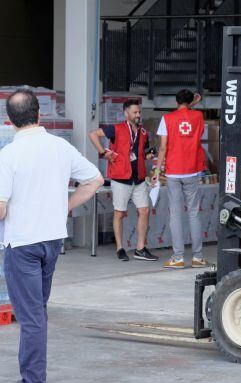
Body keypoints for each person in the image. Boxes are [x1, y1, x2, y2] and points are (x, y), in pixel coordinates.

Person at [0, 89, 104, 383]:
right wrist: (66, 206)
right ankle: (30, 378)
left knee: (31, 317)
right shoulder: (60, 147)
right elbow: (95, 180)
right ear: (39, 115)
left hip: (22, 244)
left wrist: (10, 209)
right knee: (36, 311)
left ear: (9, 121)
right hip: (52, 242)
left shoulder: (9, 154)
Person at [89, 99, 158, 262]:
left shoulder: (143, 133)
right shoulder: (116, 129)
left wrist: (150, 155)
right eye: (135, 112)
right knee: (119, 213)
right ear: (126, 113)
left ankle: (140, 248)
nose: (138, 115)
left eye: (139, 112)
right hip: (121, 177)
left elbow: (142, 154)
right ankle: (120, 248)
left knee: (145, 211)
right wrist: (103, 152)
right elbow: (93, 135)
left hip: (139, 178)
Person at [152, 89, 210, 269]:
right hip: (191, 170)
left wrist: (156, 170)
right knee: (193, 213)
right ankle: (198, 257)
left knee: (175, 215)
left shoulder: (167, 119)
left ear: (175, 101)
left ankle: (178, 258)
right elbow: (189, 116)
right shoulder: (198, 116)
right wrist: (193, 103)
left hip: (173, 171)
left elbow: (162, 148)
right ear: (191, 101)